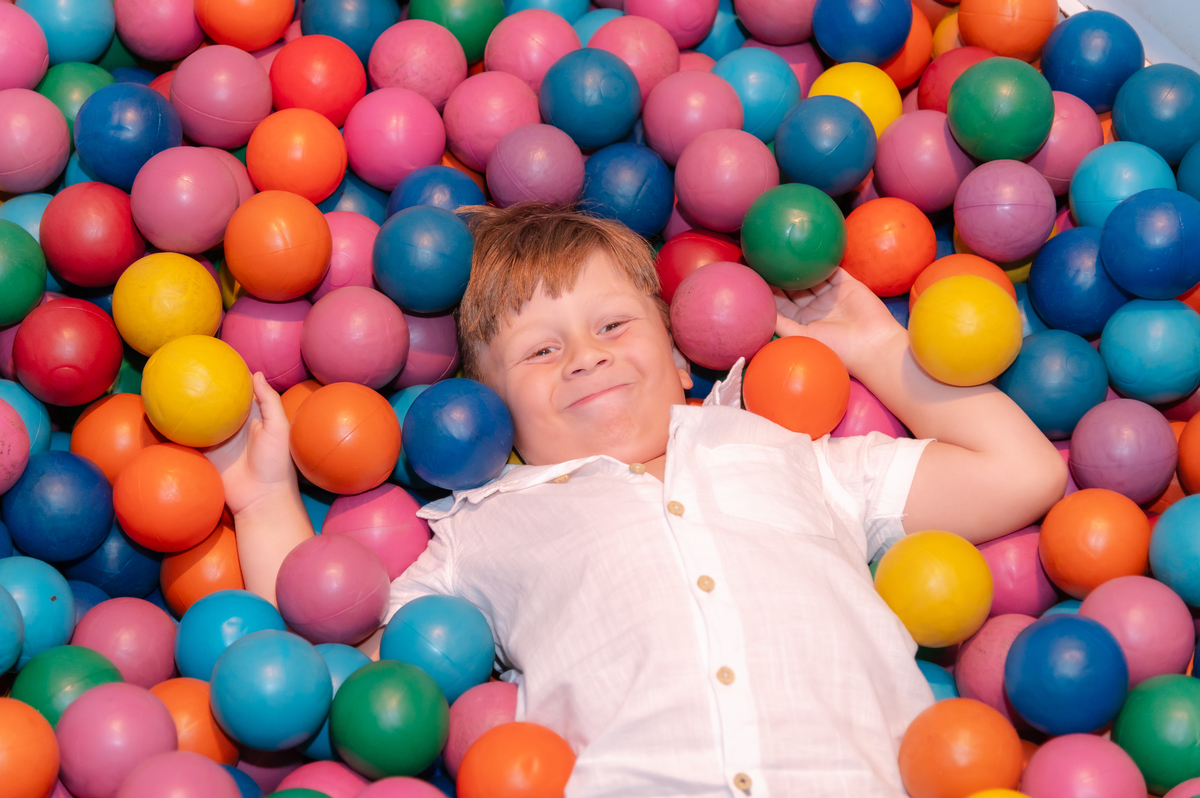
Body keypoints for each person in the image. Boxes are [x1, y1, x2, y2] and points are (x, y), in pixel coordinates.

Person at [210, 203, 1067, 797]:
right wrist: (262, 499)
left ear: (684, 354)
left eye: (613, 325)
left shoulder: (784, 454)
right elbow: (331, 651)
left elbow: (1018, 472)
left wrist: (879, 347)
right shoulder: (487, 526)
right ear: (492, 413)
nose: (586, 356)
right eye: (540, 351)